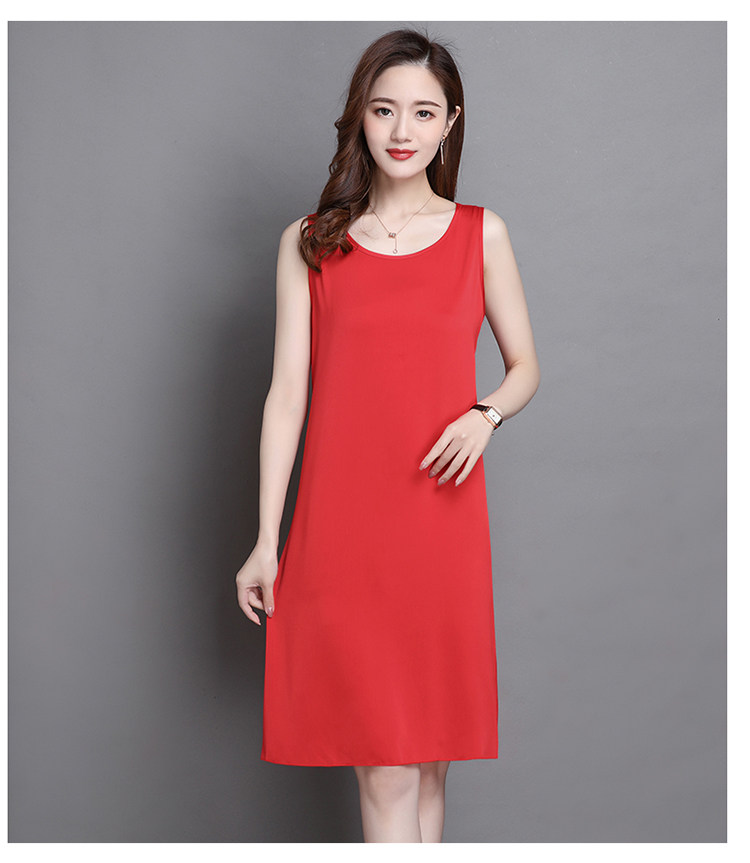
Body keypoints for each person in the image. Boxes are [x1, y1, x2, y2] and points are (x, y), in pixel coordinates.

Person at [235, 28, 540, 843]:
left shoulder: (482, 233)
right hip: (344, 530)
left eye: (423, 112)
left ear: (450, 123)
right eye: (383, 109)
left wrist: (484, 415)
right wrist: (266, 540)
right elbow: (286, 397)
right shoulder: (311, 241)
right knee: (389, 767)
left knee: (429, 765)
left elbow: (525, 367)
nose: (403, 130)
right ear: (359, 118)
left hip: (441, 526)